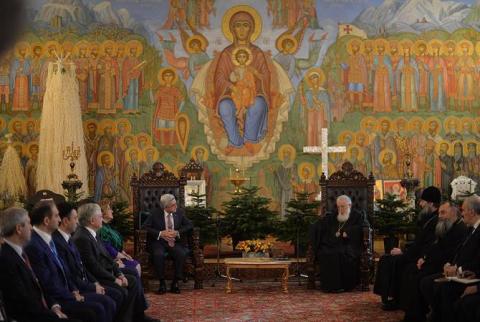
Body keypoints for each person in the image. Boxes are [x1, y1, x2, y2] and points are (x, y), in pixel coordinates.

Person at [72, 203, 158, 322]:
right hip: (97, 277)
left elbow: (107, 257)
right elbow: (93, 266)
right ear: (92, 220)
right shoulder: (82, 238)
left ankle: (137, 316)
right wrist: (114, 279)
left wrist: (119, 274)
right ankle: (131, 318)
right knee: (126, 286)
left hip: (106, 270)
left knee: (131, 276)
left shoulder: (93, 232)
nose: (102, 218)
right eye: (100, 216)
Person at [0, 207, 81, 322]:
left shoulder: (19, 253)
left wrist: (54, 306)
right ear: (18, 229)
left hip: (44, 309)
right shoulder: (7, 259)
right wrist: (54, 315)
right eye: (28, 223)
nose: (31, 228)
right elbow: (23, 302)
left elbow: (38, 287)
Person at [24, 201, 99, 322]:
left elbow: (65, 270)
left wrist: (73, 289)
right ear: (46, 221)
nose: (59, 219)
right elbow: (46, 282)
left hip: (67, 293)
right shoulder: (34, 245)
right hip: (57, 299)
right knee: (97, 309)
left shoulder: (48, 239)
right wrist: (71, 295)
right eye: (56, 215)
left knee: (104, 304)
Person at [374, 186, 441, 310]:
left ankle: (397, 300)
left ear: (431, 203)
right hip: (415, 253)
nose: (420, 204)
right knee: (386, 259)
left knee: (394, 261)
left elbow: (425, 246)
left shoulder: (435, 221)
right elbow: (418, 243)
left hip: (420, 256)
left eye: (422, 201)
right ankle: (389, 296)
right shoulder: (429, 218)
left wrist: (404, 252)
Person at [53, 202, 122, 322]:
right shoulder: (62, 241)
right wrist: (91, 286)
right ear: (65, 221)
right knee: (107, 301)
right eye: (75, 218)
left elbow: (82, 266)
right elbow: (69, 273)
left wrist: (94, 283)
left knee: (113, 297)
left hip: (85, 282)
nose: (77, 221)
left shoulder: (68, 238)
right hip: (76, 288)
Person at [399, 201, 467, 322]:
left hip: (445, 266)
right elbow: (435, 246)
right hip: (437, 263)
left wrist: (427, 262)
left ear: (453, 213)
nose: (439, 216)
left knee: (421, 278)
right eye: (439, 212)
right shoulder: (447, 226)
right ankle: (415, 314)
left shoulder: (460, 229)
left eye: (443, 212)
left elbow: (449, 254)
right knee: (412, 272)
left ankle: (421, 315)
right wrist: (423, 258)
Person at [420, 194, 480, 322]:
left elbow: (477, 260)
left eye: (463, 210)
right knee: (430, 283)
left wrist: (458, 269)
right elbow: (459, 252)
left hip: (470, 277)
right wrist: (450, 265)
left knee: (444, 289)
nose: (461, 213)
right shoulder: (471, 229)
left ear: (472, 211)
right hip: (461, 273)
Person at [143, 193, 193, 294]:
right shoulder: (154, 214)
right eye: (173, 205)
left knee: (181, 254)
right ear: (166, 207)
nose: (176, 206)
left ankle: (175, 282)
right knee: (158, 254)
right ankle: (162, 283)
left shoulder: (179, 212)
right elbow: (145, 227)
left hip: (174, 242)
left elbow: (189, 225)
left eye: (176, 204)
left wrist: (177, 232)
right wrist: (160, 233)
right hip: (159, 242)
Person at [314, 195, 363, 292]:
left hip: (349, 244)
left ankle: (343, 285)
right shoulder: (333, 215)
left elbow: (363, 227)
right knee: (325, 252)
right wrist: (319, 217)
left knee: (340, 253)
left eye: (343, 206)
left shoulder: (358, 215)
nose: (340, 209)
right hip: (333, 243)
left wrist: (349, 232)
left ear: (349, 205)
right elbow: (324, 226)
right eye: (338, 206)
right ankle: (329, 286)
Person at [98, 199, 141, 276]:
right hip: (112, 259)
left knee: (136, 264)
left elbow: (116, 246)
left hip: (118, 256)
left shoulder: (108, 226)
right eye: (109, 209)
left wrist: (125, 254)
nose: (112, 211)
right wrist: (124, 257)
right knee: (136, 267)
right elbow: (109, 249)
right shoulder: (102, 229)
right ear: (103, 213)